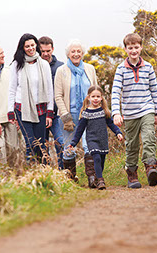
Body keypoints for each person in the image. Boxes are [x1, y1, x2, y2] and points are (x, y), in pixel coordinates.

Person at [111, 33, 157, 188]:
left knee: (148, 137)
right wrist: (116, 113)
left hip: (147, 108)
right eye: (130, 48)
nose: (134, 50)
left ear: (141, 47)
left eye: (136, 47)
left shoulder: (148, 67)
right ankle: (132, 175)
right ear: (125, 49)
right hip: (130, 113)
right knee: (132, 144)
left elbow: (154, 90)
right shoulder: (120, 69)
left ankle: (151, 168)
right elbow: (115, 91)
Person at [54, 39, 98, 186]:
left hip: (88, 114)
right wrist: (65, 116)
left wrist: (97, 110)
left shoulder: (90, 69)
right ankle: (70, 180)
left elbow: (95, 92)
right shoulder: (61, 71)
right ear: (68, 54)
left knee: (89, 145)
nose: (76, 54)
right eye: (73, 51)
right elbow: (58, 96)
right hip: (69, 115)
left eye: (78, 51)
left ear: (82, 53)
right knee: (69, 148)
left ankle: (92, 179)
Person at [8, 33, 54, 164]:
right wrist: (10, 112)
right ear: (22, 48)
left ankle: (44, 173)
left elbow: (50, 89)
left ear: (36, 46)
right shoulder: (17, 65)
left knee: (41, 145)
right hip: (23, 109)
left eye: (32, 45)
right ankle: (31, 173)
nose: (30, 48)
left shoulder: (43, 64)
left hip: (41, 109)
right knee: (31, 144)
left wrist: (50, 113)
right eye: (27, 46)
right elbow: (12, 89)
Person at [68, 86, 123, 190]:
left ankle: (98, 179)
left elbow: (111, 124)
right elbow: (79, 130)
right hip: (92, 140)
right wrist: (73, 142)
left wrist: (118, 133)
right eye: (93, 96)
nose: (96, 99)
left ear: (101, 98)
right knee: (96, 158)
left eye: (98, 96)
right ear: (89, 97)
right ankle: (101, 180)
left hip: (102, 139)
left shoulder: (104, 111)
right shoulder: (86, 113)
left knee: (101, 161)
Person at [38, 36, 64, 170]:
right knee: (41, 146)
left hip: (57, 113)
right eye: (42, 51)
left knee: (61, 142)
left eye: (48, 50)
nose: (46, 54)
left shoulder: (61, 67)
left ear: (52, 49)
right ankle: (46, 174)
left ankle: (64, 173)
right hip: (40, 114)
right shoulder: (34, 67)